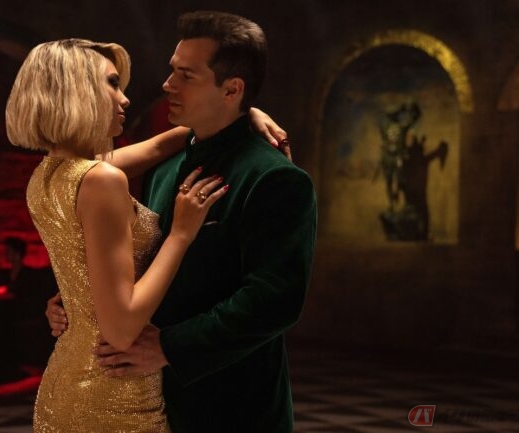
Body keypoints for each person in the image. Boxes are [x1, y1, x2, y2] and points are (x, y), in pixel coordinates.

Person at [48, 11, 317, 433]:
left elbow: (274, 300)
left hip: (233, 405)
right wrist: (79, 296)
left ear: (232, 89)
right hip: (151, 400)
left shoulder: (276, 178)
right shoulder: (166, 165)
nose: (167, 84)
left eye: (185, 76)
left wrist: (170, 347)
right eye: (172, 70)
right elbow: (141, 257)